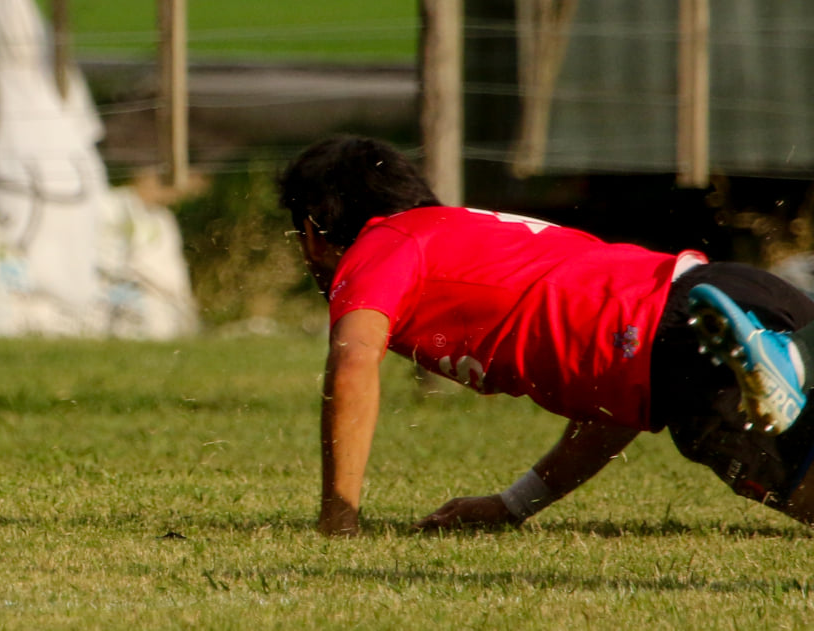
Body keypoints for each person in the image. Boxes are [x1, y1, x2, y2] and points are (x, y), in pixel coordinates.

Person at [278, 135, 814, 535]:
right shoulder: (470, 231)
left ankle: (772, 369)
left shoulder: (379, 244)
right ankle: (782, 359)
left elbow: (352, 363)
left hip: (684, 345)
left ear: (312, 236)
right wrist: (514, 504)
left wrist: (338, 517)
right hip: (720, 291)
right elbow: (613, 399)